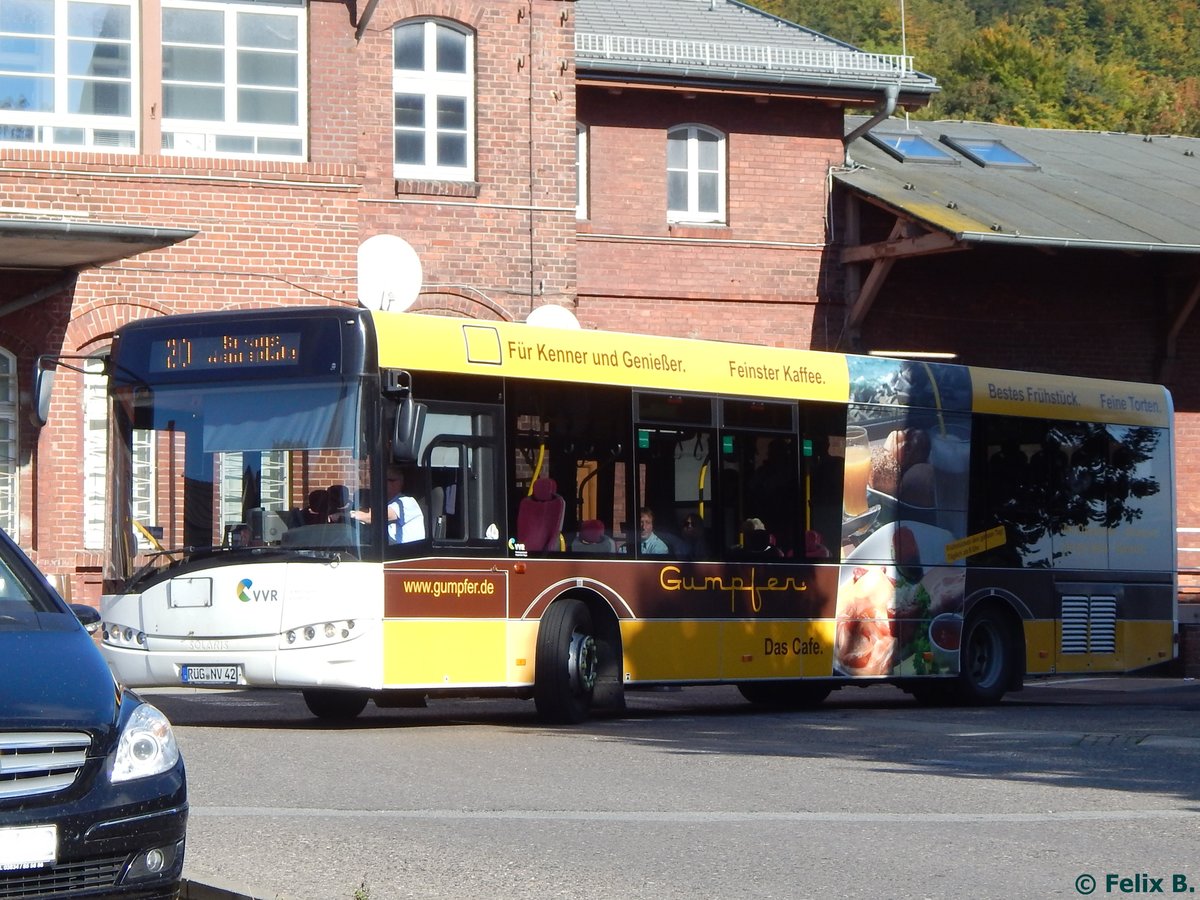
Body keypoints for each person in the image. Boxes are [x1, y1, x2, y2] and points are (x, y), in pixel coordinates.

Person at [351, 466, 426, 543]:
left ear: (399, 482)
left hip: (407, 552)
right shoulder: (384, 503)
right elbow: (365, 513)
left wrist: (349, 515)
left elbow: (375, 516)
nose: (381, 483)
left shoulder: (406, 502)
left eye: (389, 480)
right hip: (389, 550)